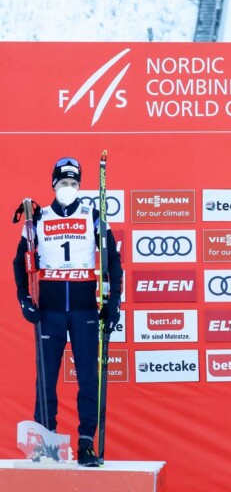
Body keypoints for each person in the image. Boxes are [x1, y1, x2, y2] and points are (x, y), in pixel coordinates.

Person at [12, 157, 123, 467]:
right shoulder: (39, 218)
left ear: (80, 186)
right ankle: (46, 442)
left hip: (85, 307)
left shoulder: (93, 216)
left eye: (74, 184)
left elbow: (112, 260)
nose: (69, 189)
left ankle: (86, 443)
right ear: (53, 185)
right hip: (50, 310)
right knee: (46, 378)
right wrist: (24, 299)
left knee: (88, 378)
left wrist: (113, 304)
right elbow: (19, 261)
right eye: (63, 183)